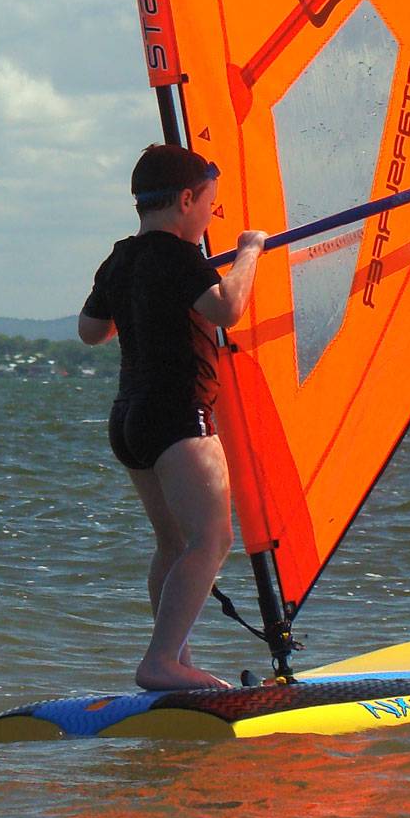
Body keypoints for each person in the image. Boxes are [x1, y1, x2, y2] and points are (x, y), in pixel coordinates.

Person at [78, 144, 266, 691]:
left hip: (129, 419)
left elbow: (91, 332)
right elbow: (227, 309)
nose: (211, 216)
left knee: (172, 542)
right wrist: (249, 250)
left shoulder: (120, 258)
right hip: (179, 417)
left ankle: (174, 661)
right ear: (186, 200)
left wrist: (139, 306)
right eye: (210, 204)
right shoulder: (182, 256)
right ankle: (161, 661)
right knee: (211, 540)